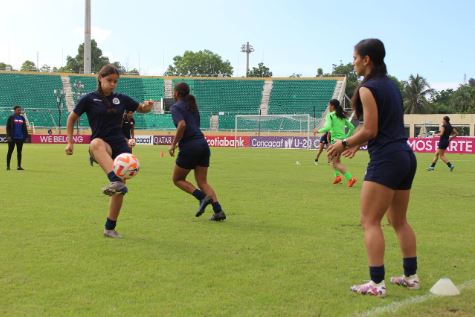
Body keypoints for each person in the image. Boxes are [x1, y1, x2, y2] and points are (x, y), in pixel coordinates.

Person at [328, 39, 419, 297]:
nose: (353, 62)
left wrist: (344, 142)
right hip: (405, 156)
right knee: (399, 221)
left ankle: (376, 284)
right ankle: (410, 277)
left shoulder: (367, 88)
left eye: (355, 57)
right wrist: (357, 144)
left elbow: (371, 129)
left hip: (387, 159)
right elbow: (376, 127)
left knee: (369, 221)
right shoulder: (390, 86)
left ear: (367, 59)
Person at [65, 64, 153, 238]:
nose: (112, 84)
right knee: (95, 143)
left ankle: (109, 228)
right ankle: (115, 179)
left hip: (121, 146)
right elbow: (72, 118)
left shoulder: (121, 98)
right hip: (102, 145)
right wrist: (70, 142)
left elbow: (141, 108)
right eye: (109, 80)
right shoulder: (88, 99)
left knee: (120, 191)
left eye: (115, 81)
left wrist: (148, 106)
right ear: (100, 78)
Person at [168, 82, 226, 221]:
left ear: (176, 93)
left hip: (190, 146)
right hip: (202, 144)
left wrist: (173, 144)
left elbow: (182, 125)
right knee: (202, 182)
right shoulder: (192, 106)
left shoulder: (175, 107)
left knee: (177, 179)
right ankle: (218, 211)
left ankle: (201, 197)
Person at [315, 99, 356, 187]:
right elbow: (352, 127)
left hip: (336, 142)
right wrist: (346, 137)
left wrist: (318, 130)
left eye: (329, 105)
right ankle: (337, 177)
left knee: (334, 162)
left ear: (332, 106)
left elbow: (327, 127)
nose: (328, 107)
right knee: (334, 159)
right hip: (342, 142)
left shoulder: (330, 115)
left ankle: (350, 178)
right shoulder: (341, 115)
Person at [6, 105, 29, 170]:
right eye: (18, 110)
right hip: (12, 137)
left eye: (20, 110)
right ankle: (8, 166)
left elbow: (24, 128)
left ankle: (19, 166)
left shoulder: (22, 118)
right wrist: (8, 136)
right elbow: (8, 127)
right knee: (10, 151)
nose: (20, 111)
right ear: (15, 110)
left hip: (20, 138)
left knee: (19, 152)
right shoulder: (11, 117)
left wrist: (26, 136)